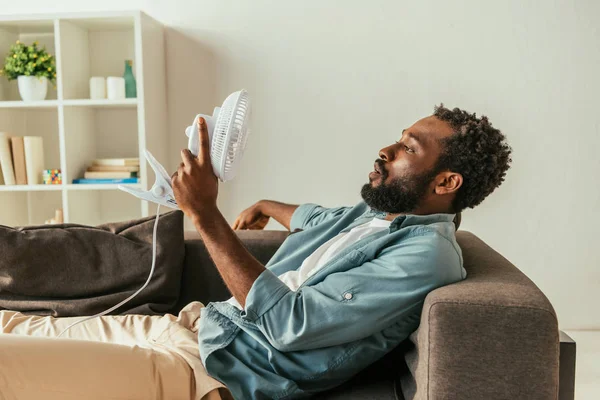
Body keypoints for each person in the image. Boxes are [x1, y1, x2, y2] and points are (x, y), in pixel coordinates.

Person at [0, 105, 511, 400]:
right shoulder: (373, 214)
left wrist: (204, 213)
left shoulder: (427, 256)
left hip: (209, 376)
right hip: (188, 327)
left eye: (409, 148)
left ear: (446, 181)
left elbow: (291, 325)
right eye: (397, 139)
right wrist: (267, 204)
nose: (387, 150)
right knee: (11, 326)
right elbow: (313, 217)